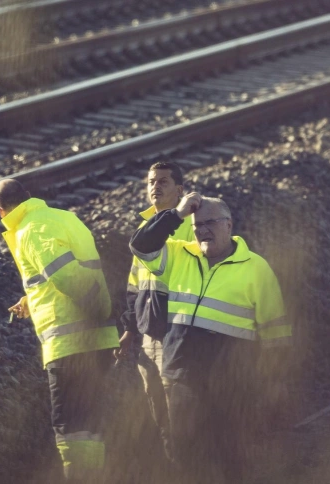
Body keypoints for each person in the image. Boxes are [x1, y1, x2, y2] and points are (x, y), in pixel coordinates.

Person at [129, 192, 291, 481]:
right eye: (196, 225)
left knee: (230, 458)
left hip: (232, 385)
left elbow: (276, 334)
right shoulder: (179, 254)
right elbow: (140, 245)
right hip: (182, 377)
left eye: (210, 223)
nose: (202, 230)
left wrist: (272, 384)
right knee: (188, 456)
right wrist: (176, 215)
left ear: (229, 225)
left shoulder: (257, 269)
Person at [0, 178, 119, 481]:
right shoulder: (63, 217)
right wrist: (31, 301)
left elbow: (64, 274)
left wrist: (96, 308)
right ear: (28, 197)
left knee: (71, 430)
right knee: (91, 425)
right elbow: (56, 273)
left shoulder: (31, 229)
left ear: (0, 211)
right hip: (95, 340)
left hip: (72, 345)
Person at [114, 161, 193, 461]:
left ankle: (187, 469)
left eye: (163, 181)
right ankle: (173, 466)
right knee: (159, 410)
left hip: (177, 332)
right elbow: (135, 286)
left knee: (179, 411)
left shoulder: (191, 224)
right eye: (150, 182)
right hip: (149, 335)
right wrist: (129, 330)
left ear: (179, 190)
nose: (155, 186)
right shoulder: (144, 229)